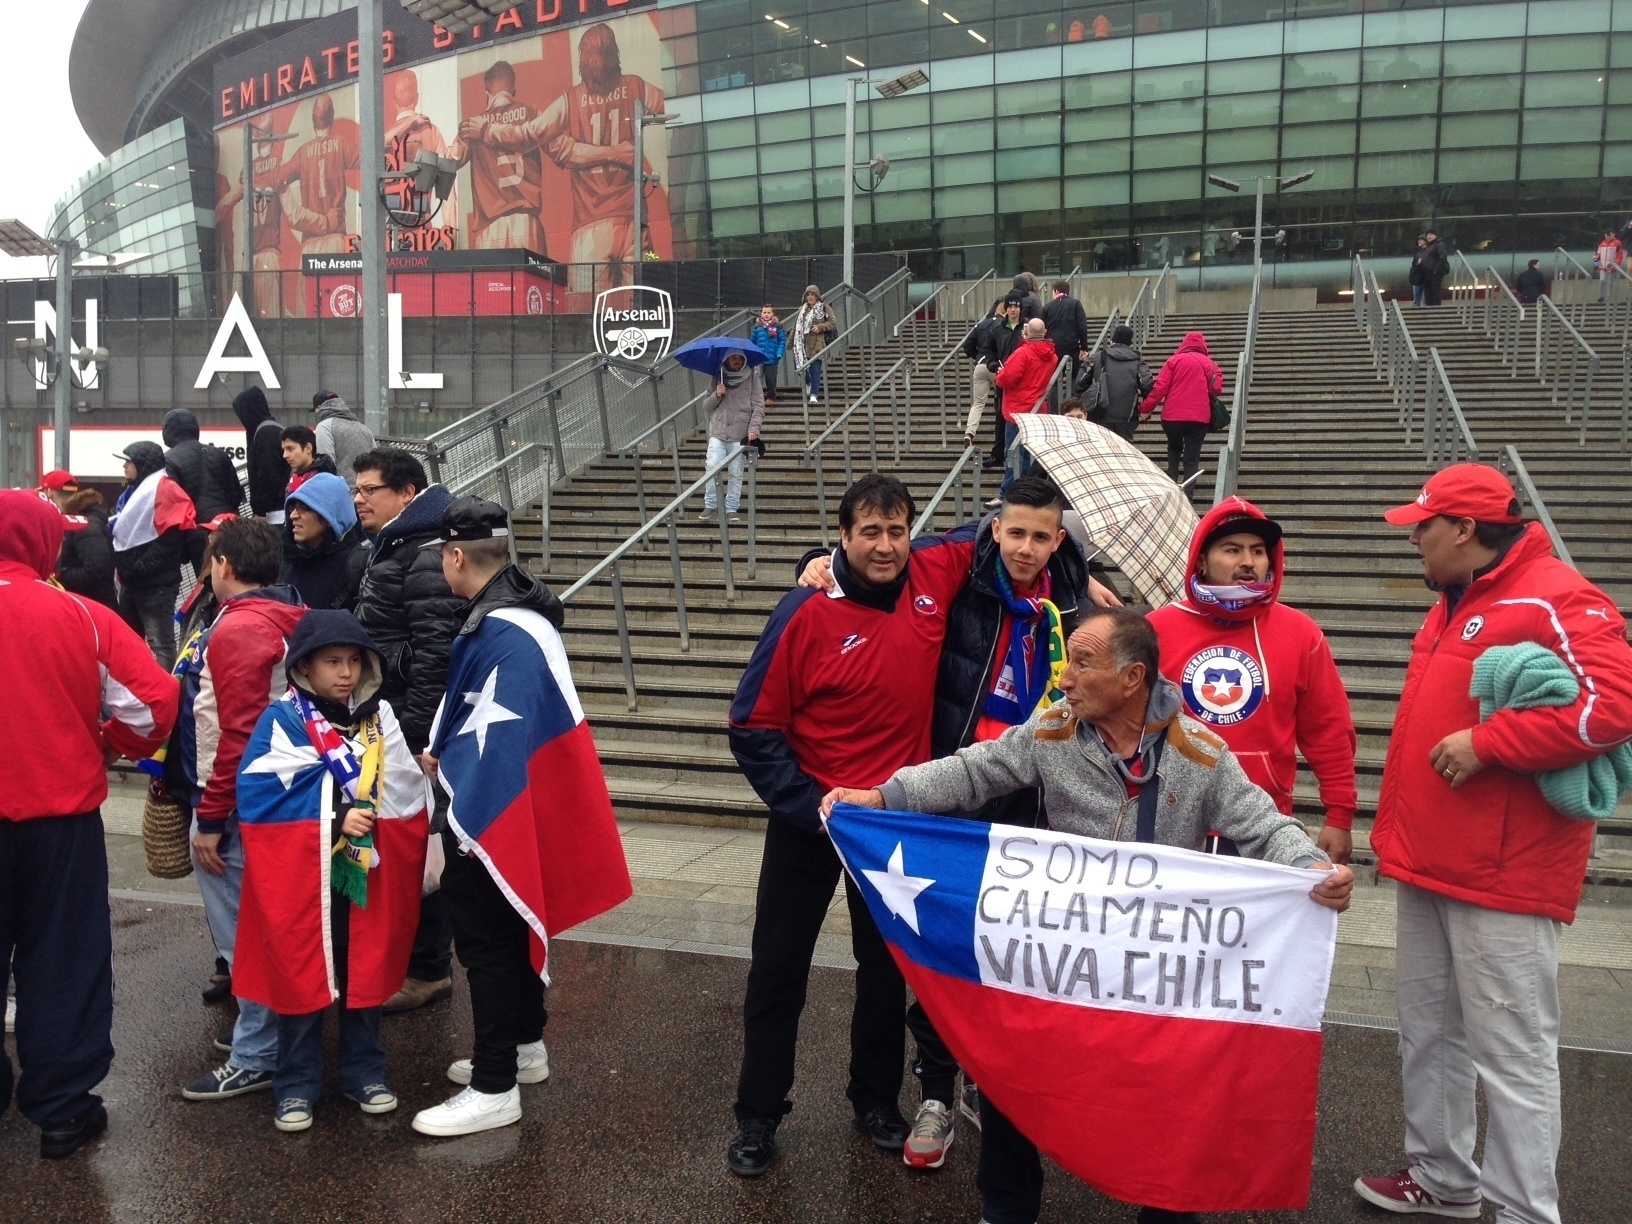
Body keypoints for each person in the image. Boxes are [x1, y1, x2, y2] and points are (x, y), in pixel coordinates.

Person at [822, 606, 1355, 1224]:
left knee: (1167, 1096)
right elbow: (973, 771)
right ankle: (1007, 1206)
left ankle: (1166, 1209)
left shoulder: (1202, 753)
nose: (1065, 677)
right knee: (1012, 1071)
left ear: (1133, 679)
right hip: (1060, 956)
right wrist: (883, 796)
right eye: (1067, 660)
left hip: (1150, 970)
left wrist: (1313, 867)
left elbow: (1263, 826)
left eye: (1082, 662)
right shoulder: (1052, 730)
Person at [794, 475, 1109, 1170]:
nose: (1026, 547)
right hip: (956, 788)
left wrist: (1090, 599)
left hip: (1032, 802)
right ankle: (936, 1090)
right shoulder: (960, 583)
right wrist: (817, 561)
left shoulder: (1078, 607)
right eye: (1015, 531)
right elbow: (883, 558)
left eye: (1041, 536)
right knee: (943, 943)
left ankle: (997, 1084)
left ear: (1059, 540)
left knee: (1011, 950)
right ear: (993, 528)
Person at [1354, 464, 1632, 1224]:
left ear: (1466, 529)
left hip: (1505, 869)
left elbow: (1616, 705)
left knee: (1512, 1056)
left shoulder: (1555, 593)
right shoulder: (1455, 599)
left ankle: (1524, 1211)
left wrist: (1493, 741)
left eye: (1423, 525)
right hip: (1432, 855)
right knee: (1428, 1033)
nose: (1415, 538)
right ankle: (1443, 1179)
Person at [725, 473, 981, 1178]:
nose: (886, 545)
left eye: (897, 530)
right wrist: (809, 806)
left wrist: (1085, 571)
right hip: (814, 820)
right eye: (869, 531)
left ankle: (874, 1099)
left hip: (894, 821)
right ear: (841, 537)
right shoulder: (803, 611)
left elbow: (1007, 531)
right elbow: (751, 726)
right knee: (779, 971)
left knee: (885, 974)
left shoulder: (933, 569)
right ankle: (757, 1115)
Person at [412, 497, 625, 1137]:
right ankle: (523, 1049)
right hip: (504, 798)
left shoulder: (503, 629)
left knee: (487, 944)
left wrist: (461, 788)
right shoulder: (517, 620)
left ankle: (494, 1084)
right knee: (506, 933)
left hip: (490, 809)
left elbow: (495, 738)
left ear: (455, 557)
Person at [0, 490, 178, 1160]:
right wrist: (105, 742)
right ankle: (62, 1110)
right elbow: (154, 700)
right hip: (59, 817)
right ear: (45, 542)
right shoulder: (82, 614)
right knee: (62, 960)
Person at [233, 610, 430, 1133]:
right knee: (303, 974)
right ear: (305, 667)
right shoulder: (284, 719)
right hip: (305, 879)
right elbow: (258, 793)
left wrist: (413, 777)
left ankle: (364, 1071)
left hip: (364, 872)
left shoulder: (379, 716)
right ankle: (295, 1083)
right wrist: (337, 816)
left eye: (353, 662)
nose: (344, 672)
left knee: (361, 970)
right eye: (331, 662)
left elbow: (403, 788)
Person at [172, 518, 306, 1104]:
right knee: (261, 919)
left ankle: (258, 1049)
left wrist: (210, 816)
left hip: (238, 800)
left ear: (223, 564)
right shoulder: (282, 615)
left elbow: (238, 735)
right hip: (273, 793)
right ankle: (266, 1034)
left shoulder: (240, 628)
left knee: (245, 927)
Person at [1147, 498, 1358, 864]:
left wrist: (1340, 814)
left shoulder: (1301, 634)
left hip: (1262, 826)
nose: (1248, 562)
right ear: (1201, 559)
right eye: (1232, 550)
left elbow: (1328, 730)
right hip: (1169, 822)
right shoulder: (1155, 630)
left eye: (1258, 551)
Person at [349, 450, 463, 1015]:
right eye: (357, 490)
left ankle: (428, 969)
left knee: (423, 843)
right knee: (409, 842)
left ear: (408, 493)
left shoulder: (421, 553)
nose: (359, 499)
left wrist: (416, 737)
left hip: (409, 726)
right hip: (388, 717)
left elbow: (435, 656)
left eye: (371, 490)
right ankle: (415, 963)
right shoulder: (395, 545)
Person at [447, 60, 547, 254]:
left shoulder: (473, 124)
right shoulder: (532, 112)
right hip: (527, 222)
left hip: (491, 226)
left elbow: (451, 161)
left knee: (490, 283)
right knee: (537, 283)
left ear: (487, 95)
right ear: (514, 92)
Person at [111, 440, 194, 671]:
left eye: (128, 462)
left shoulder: (166, 489)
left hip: (155, 584)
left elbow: (170, 541)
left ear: (141, 463)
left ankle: (165, 695)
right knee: (127, 642)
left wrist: (138, 567)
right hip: (132, 581)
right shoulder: (133, 491)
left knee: (161, 645)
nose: (124, 467)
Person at [162, 408, 245, 574]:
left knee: (207, 579)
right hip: (229, 528)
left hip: (197, 533)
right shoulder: (219, 454)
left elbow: (172, 506)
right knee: (233, 576)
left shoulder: (168, 460)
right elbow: (236, 494)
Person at [1139, 330, 1223, 490]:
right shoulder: (1211, 364)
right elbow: (1217, 389)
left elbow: (1160, 388)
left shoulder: (1174, 361)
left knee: (1174, 448)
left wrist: (1145, 408)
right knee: (1192, 457)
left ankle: (1171, 486)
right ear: (1203, 346)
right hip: (1199, 418)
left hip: (1172, 418)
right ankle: (1188, 495)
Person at [993, 318, 1060, 495]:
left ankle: (1007, 493)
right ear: (1045, 333)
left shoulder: (1022, 353)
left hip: (1017, 411)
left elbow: (1007, 379)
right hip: (1037, 410)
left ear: (1027, 333)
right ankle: (1026, 490)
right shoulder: (1052, 356)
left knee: (1014, 455)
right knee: (1029, 455)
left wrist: (1000, 375)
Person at [697, 351, 765, 522]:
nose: (737, 361)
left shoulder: (752, 379)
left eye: (740, 358)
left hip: (740, 433)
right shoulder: (717, 377)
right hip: (718, 431)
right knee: (712, 466)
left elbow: (758, 406)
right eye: (734, 358)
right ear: (727, 360)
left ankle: (731, 508)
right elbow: (706, 406)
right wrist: (717, 394)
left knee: (736, 472)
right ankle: (710, 504)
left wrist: (754, 429)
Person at [281, 472, 364, 611]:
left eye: (304, 508)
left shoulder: (357, 566)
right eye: (293, 507)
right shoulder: (289, 561)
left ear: (329, 517)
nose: (293, 515)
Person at [41, 472, 117, 610]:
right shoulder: (80, 518)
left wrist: (57, 576)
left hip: (93, 607)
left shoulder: (84, 524)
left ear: (49, 493)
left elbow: (97, 569)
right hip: (87, 604)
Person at [975, 297, 1025, 470]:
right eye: (1010, 306)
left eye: (1016, 306)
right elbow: (987, 349)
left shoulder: (1025, 328)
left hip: (1022, 378)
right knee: (1000, 415)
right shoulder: (997, 328)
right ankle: (998, 453)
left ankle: (1018, 454)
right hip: (1003, 376)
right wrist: (993, 365)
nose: (1013, 309)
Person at [1081, 324, 1155, 441]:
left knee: (1102, 448)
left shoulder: (1097, 357)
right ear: (1130, 343)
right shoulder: (1137, 361)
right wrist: (1146, 410)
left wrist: (1082, 406)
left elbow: (1080, 382)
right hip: (1128, 416)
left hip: (1099, 413)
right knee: (1125, 450)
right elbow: (1147, 384)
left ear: (1112, 340)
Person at [960, 297, 1010, 461]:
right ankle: (1001, 440)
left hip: (980, 366)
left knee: (978, 403)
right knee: (1002, 403)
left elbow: (967, 346)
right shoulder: (1004, 327)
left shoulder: (981, 325)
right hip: (997, 367)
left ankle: (969, 432)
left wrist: (978, 357)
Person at [233, 386, 289, 525]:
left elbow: (268, 475)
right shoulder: (274, 428)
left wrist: (261, 511)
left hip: (273, 514)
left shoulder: (264, 433)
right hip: (281, 508)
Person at [313, 392, 375, 489]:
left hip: (340, 492)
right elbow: (375, 460)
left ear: (319, 407)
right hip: (366, 492)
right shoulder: (364, 429)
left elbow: (326, 463)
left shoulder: (324, 426)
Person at [1041, 279, 1089, 395]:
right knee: (1074, 377)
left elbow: (1042, 328)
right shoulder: (1075, 304)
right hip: (1071, 347)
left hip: (1052, 348)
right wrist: (1084, 348)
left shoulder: (1047, 307)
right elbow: (1082, 326)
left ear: (1056, 291)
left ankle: (1054, 408)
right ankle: (1072, 404)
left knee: (1053, 380)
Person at [792, 285, 837, 404]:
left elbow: (832, 322)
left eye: (813, 294)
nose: (810, 297)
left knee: (815, 369)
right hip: (801, 344)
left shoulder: (824, 307)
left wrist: (820, 327)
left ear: (817, 296)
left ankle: (813, 394)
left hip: (817, 342)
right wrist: (791, 342)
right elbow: (795, 326)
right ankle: (808, 382)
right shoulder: (802, 309)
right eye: (808, 294)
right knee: (799, 366)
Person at [281, 424, 336, 495]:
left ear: (308, 448)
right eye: (284, 450)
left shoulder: (324, 481)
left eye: (290, 449)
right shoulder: (295, 476)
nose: (285, 455)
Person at [750, 305, 787, 402]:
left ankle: (771, 397)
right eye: (764, 312)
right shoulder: (757, 328)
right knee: (757, 379)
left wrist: (779, 353)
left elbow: (782, 341)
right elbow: (752, 342)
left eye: (768, 313)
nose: (766, 315)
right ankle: (757, 398)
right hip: (759, 358)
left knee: (771, 380)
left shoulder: (778, 327)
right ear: (761, 314)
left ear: (772, 314)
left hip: (772, 358)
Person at [1420, 230, 1450, 306]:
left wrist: (1436, 271)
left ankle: (1435, 308)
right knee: (1428, 293)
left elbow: (1442, 258)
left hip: (1434, 273)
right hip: (1427, 274)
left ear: (1435, 235)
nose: (1428, 236)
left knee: (1435, 291)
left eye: (1431, 234)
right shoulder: (1429, 246)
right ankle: (1430, 307)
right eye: (1427, 235)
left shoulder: (1439, 244)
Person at [1594, 228, 1624, 301]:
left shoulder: (1617, 243)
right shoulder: (1602, 243)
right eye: (1606, 236)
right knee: (1602, 280)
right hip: (1603, 266)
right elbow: (1599, 253)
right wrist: (1597, 257)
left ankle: (1608, 298)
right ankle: (1601, 296)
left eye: (1609, 236)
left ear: (1613, 234)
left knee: (1610, 283)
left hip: (1612, 267)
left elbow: (1620, 254)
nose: (1607, 237)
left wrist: (1616, 263)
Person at [1408, 235, 1429, 308]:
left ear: (1425, 241)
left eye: (1420, 240)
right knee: (1418, 300)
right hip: (1418, 278)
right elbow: (1414, 265)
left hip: (1423, 278)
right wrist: (1418, 264)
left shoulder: (1427, 252)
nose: (1418, 241)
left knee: (1422, 300)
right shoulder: (1418, 253)